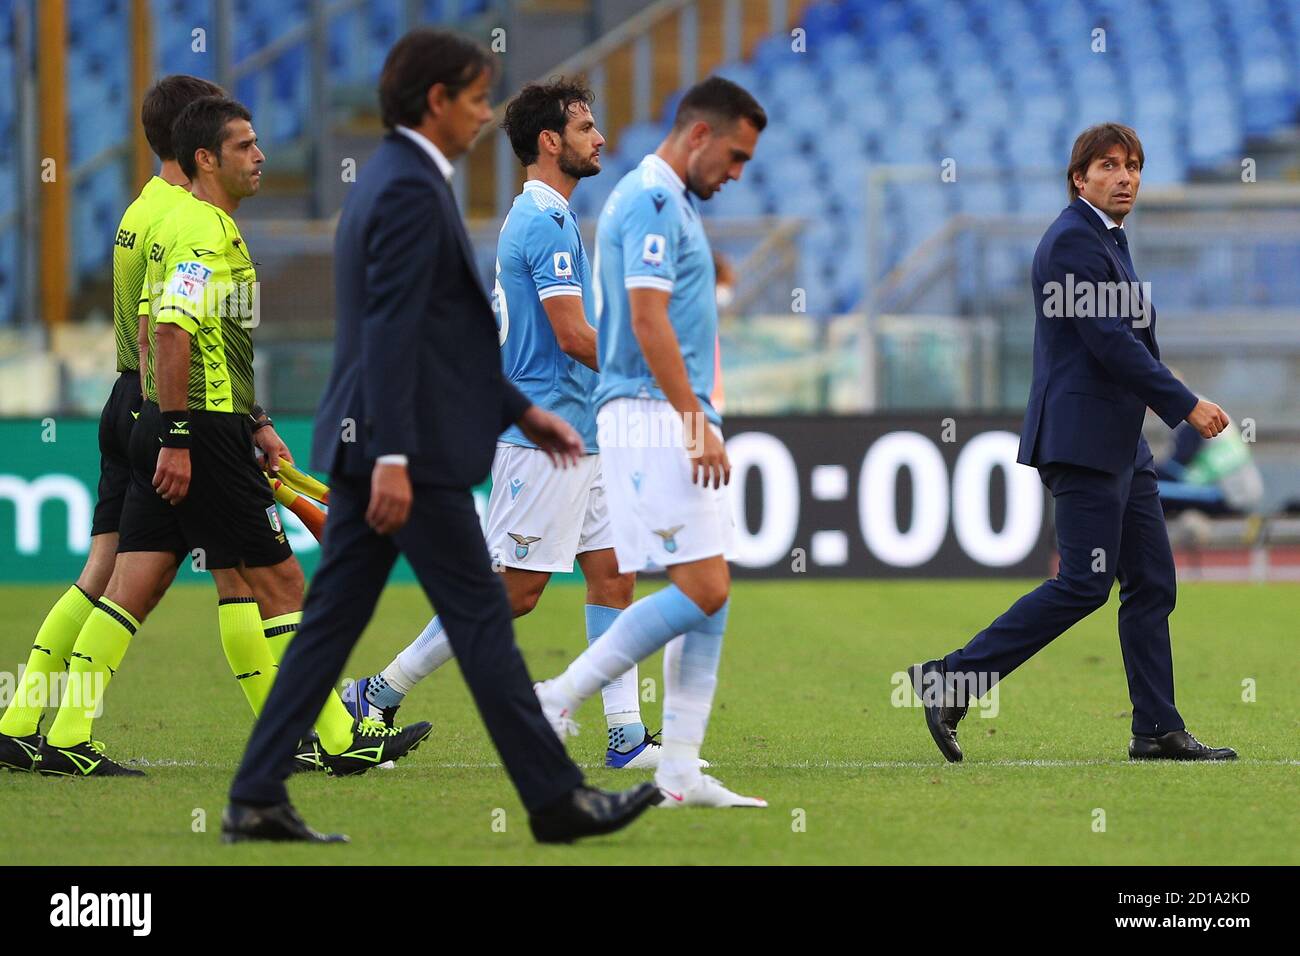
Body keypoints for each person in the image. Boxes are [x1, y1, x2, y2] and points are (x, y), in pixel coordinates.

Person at [223, 29, 661, 845]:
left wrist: (517, 409)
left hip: (412, 439)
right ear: (436, 102)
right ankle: (553, 797)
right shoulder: (409, 190)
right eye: (471, 97)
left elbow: (446, 330)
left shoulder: (405, 182)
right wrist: (394, 450)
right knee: (495, 609)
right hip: (406, 449)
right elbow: (391, 331)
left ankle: (258, 791)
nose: (481, 112)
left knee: (339, 625)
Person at [33, 94, 431, 778]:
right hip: (202, 426)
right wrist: (186, 439)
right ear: (206, 159)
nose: (262, 156)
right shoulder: (200, 233)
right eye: (246, 146)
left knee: (140, 579)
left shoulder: (187, 221)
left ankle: (66, 731)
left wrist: (253, 421)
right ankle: (338, 737)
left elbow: (195, 335)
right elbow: (172, 332)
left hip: (185, 416)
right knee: (280, 578)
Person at [343, 78, 689, 770]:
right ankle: (377, 692)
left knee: (614, 575)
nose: (599, 139)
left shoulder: (554, 218)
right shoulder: (543, 222)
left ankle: (624, 736)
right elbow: (570, 336)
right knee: (515, 591)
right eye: (587, 127)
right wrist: (651, 375)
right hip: (544, 437)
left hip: (583, 433)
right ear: (550, 142)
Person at [909, 123, 1237, 763]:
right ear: (1078, 178)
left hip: (1122, 443)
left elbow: (1128, 342)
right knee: (1084, 585)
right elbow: (1110, 342)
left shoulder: (1106, 240)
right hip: (1084, 441)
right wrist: (1184, 404)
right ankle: (953, 678)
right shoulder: (1070, 243)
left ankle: (1156, 728)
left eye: (1135, 165)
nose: (1125, 177)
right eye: (1109, 166)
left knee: (1150, 582)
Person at [532, 76, 769, 808]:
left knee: (710, 593)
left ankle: (680, 770)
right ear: (699, 133)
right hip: (652, 415)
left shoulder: (669, 201)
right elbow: (646, 320)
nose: (735, 175)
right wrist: (695, 421)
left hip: (668, 413)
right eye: (733, 157)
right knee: (704, 587)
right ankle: (556, 695)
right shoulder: (655, 200)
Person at [0, 75, 219, 772]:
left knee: (100, 569)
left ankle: (20, 718)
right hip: (162, 401)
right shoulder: (182, 218)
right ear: (196, 137)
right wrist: (182, 425)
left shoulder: (137, 210)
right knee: (155, 582)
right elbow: (167, 324)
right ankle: (68, 734)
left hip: (123, 398)